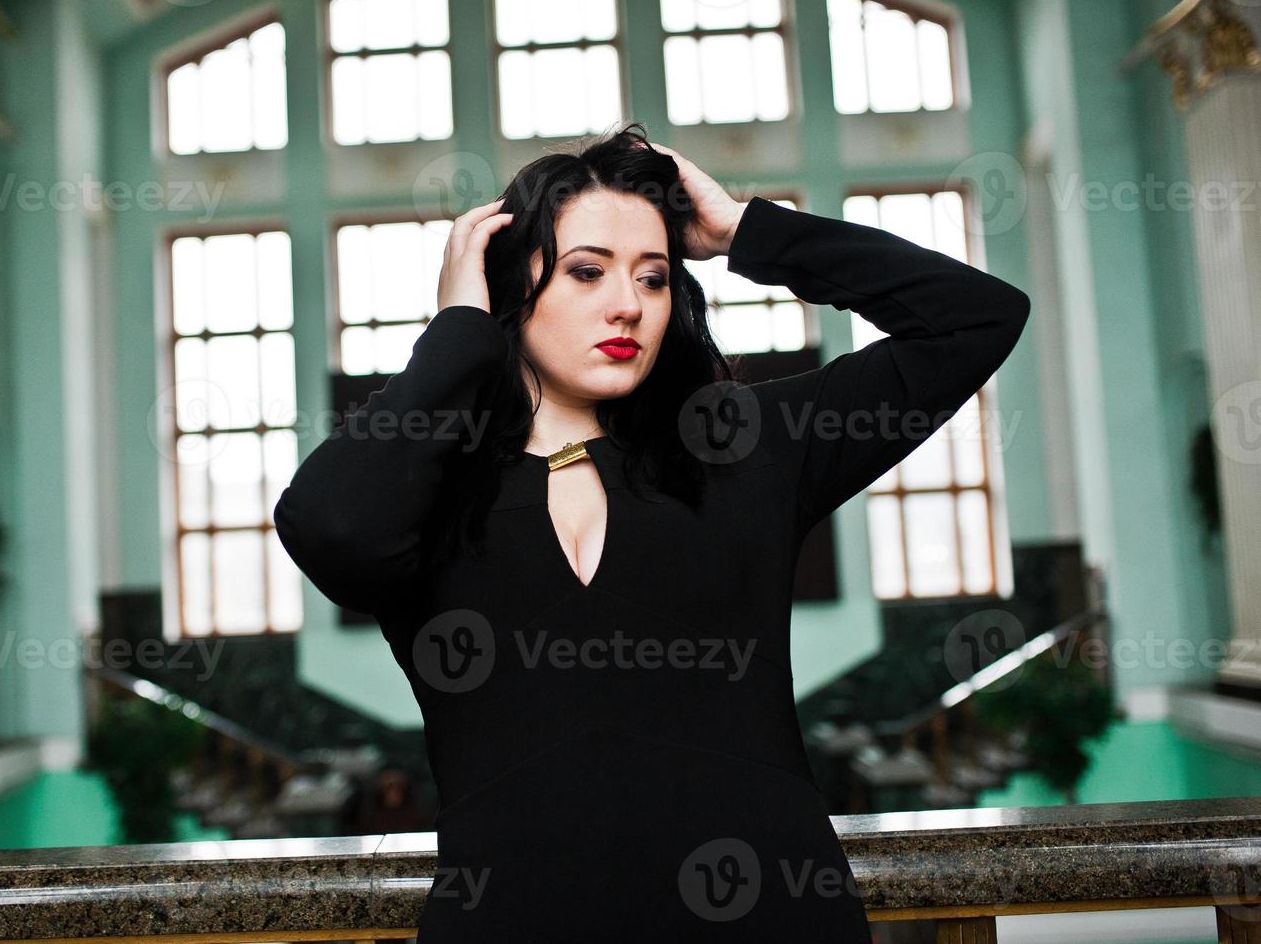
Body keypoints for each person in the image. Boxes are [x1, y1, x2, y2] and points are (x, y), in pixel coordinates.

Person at [274, 123, 1030, 942]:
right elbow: (327, 523)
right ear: (507, 287)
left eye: (655, 277)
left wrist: (747, 230)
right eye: (586, 271)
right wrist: (457, 327)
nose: (628, 304)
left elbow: (974, 320)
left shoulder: (743, 447)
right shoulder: (430, 495)